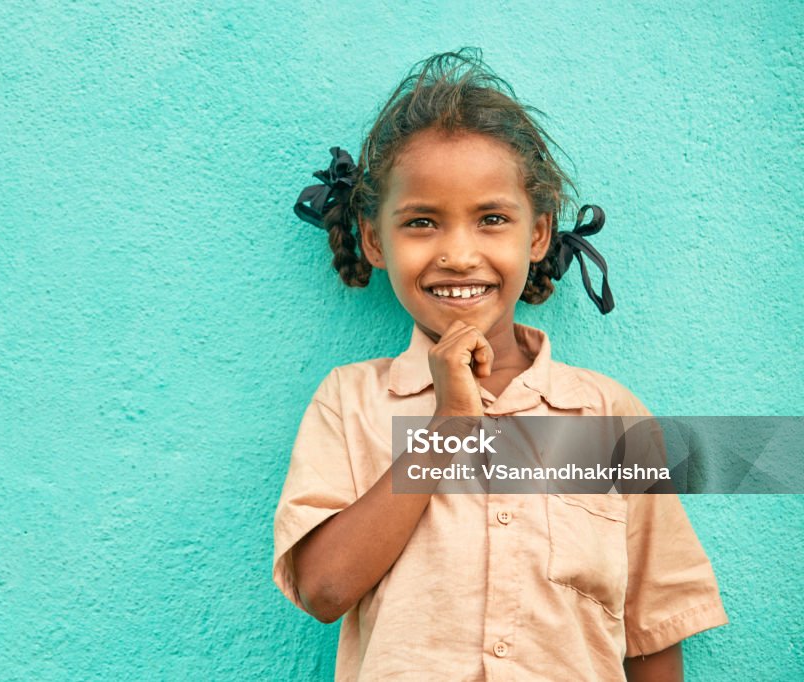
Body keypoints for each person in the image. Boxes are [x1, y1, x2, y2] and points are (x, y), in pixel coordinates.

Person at [272, 48, 727, 681]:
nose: (460, 254)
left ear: (537, 235)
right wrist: (448, 427)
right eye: (422, 222)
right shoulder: (349, 402)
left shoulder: (606, 415)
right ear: (375, 240)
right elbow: (323, 589)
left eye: (492, 220)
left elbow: (653, 629)